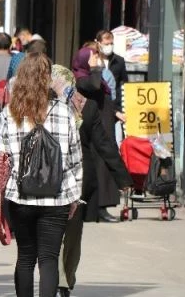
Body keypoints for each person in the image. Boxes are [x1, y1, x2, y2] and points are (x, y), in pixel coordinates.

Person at [0, 53, 83, 297]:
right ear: (48, 78)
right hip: (56, 196)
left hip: (20, 195)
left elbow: (3, 158)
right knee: (49, 258)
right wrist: (74, 194)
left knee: (25, 257)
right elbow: (75, 158)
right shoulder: (65, 113)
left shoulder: (9, 114)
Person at [50, 65, 131, 297]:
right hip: (78, 178)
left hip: (47, 176)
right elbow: (104, 144)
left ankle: (53, 277)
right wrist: (122, 177)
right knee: (72, 232)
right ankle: (64, 280)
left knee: (50, 231)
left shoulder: (42, 105)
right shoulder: (86, 106)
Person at [72, 47, 122, 222]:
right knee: (98, 167)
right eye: (93, 57)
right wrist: (95, 68)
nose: (96, 59)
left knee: (103, 166)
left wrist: (116, 113)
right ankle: (99, 207)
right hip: (93, 130)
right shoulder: (81, 78)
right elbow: (93, 86)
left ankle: (101, 206)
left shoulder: (90, 76)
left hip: (103, 126)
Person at [96, 30, 128, 106]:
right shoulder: (92, 59)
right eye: (106, 44)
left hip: (113, 104)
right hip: (96, 103)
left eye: (111, 44)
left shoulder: (119, 61)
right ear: (99, 44)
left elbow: (124, 83)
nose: (109, 46)